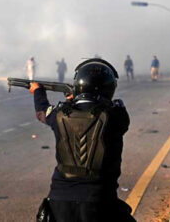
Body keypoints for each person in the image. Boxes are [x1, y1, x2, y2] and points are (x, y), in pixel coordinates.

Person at [30, 58, 136, 222]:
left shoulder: (59, 115)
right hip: (100, 202)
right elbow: (114, 108)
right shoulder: (116, 116)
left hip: (59, 202)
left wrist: (38, 92)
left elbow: (42, 112)